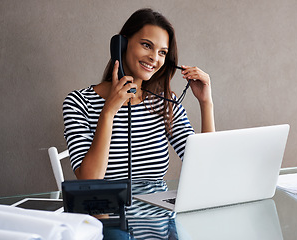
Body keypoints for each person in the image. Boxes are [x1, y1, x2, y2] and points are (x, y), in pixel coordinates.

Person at [63, 8, 215, 183]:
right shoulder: (79, 103)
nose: (154, 58)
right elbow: (89, 180)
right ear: (121, 45)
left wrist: (206, 103)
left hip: (159, 210)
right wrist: (109, 111)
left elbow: (205, 167)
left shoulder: (165, 103)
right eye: (147, 45)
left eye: (162, 52)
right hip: (106, 210)